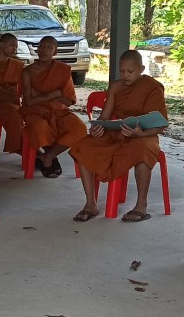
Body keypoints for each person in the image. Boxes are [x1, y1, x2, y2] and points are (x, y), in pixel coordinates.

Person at [69, 50, 168, 223]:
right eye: (122, 71)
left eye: (130, 71)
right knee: (83, 147)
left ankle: (141, 205)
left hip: (145, 135)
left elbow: (160, 126)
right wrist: (97, 127)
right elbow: (104, 117)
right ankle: (91, 203)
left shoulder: (152, 87)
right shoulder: (116, 87)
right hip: (117, 132)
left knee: (143, 150)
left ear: (141, 69)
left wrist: (140, 133)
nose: (125, 76)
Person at [21, 35, 87, 178]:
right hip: (35, 112)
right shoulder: (28, 72)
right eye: (42, 46)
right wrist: (55, 94)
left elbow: (68, 101)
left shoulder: (62, 70)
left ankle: (48, 156)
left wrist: (41, 96)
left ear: (55, 52)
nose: (44, 50)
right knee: (39, 127)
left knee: (80, 128)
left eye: (49, 48)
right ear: (37, 49)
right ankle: (48, 156)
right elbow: (29, 101)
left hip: (60, 111)